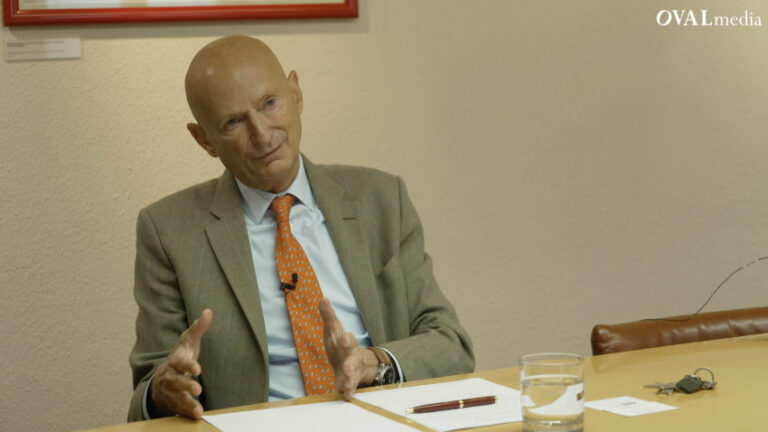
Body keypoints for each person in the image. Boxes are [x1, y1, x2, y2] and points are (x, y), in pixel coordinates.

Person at [128, 35, 474, 422]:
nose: (262, 134)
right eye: (233, 122)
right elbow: (147, 394)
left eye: (270, 104)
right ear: (204, 139)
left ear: (296, 94)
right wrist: (164, 389)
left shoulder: (381, 200)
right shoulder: (169, 230)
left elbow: (451, 346)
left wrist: (374, 363)